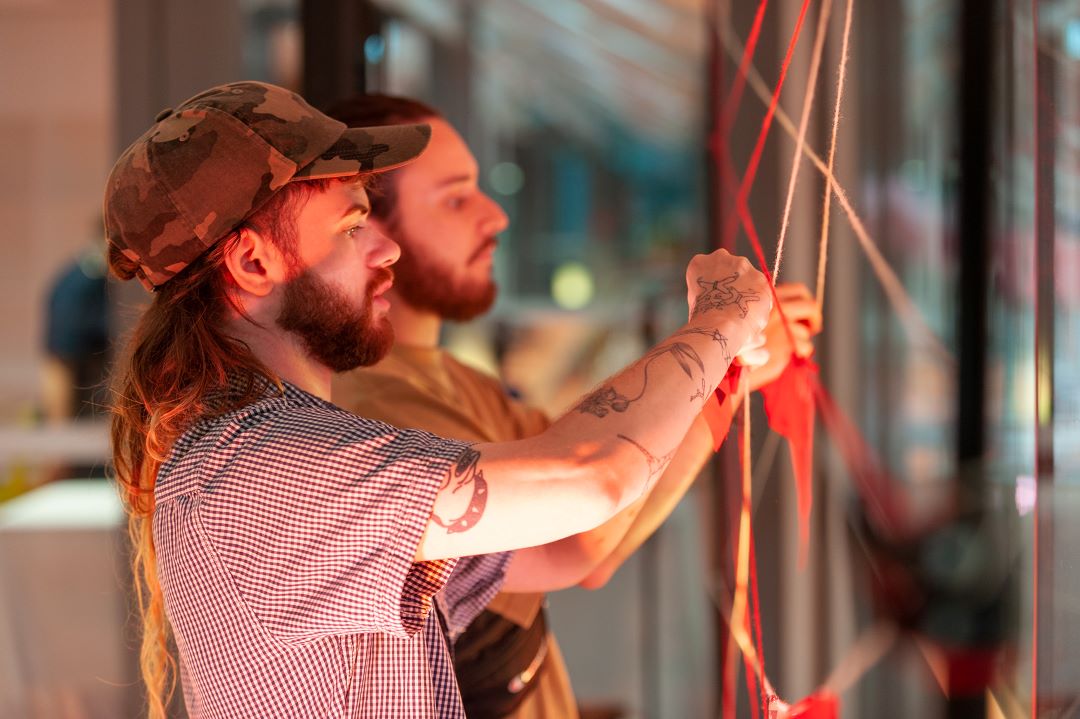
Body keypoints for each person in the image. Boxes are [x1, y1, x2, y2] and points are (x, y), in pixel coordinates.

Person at [105, 80, 771, 719]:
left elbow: (569, 545)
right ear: (252, 263)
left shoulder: (286, 447)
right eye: (350, 228)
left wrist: (718, 373)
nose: (387, 247)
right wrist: (717, 320)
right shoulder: (260, 469)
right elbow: (590, 477)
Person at [326, 96, 821, 718]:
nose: (495, 217)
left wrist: (730, 368)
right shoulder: (374, 401)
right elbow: (581, 537)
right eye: (455, 199)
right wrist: (721, 351)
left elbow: (599, 500)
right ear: (372, 232)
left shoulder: (449, 377)